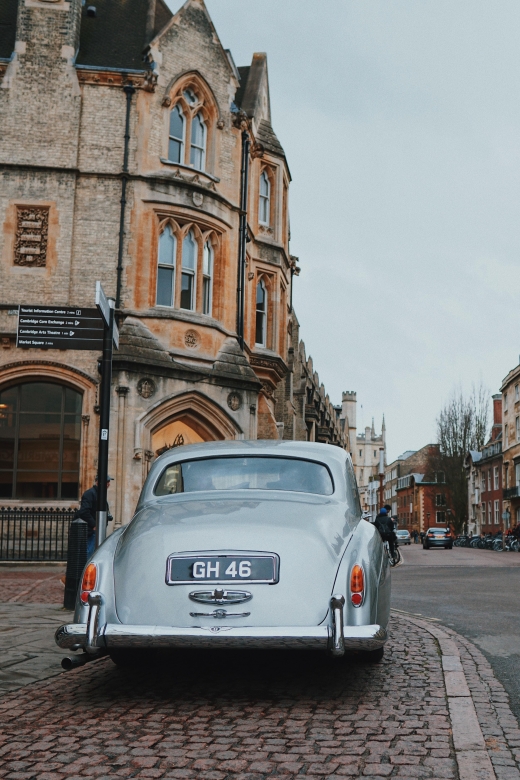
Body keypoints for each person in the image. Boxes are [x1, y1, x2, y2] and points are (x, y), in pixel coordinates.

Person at [77, 475, 113, 558]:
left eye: (108, 482)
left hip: (98, 529)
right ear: (98, 482)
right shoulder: (90, 494)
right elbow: (84, 511)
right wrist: (94, 524)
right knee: (90, 552)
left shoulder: (99, 494)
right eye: (106, 482)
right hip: (92, 530)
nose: (108, 484)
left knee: (94, 552)